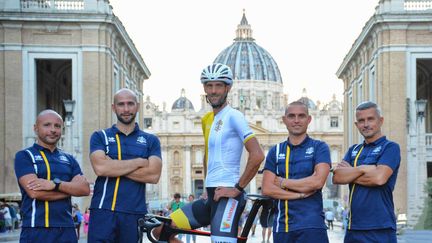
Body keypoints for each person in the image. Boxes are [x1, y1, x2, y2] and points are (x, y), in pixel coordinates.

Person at [154, 63, 264, 243]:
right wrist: (207, 186)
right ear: (204, 88)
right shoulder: (208, 120)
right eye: (209, 85)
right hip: (211, 195)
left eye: (218, 85)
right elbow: (208, 155)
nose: (213, 91)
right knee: (161, 231)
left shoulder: (234, 116)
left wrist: (237, 188)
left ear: (227, 88)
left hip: (229, 195)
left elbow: (258, 155)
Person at [88, 88, 162, 243]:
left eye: (130, 104)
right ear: (114, 107)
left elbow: (153, 175)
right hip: (103, 210)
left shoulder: (151, 140)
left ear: (138, 106)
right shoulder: (100, 136)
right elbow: (100, 168)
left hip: (134, 213)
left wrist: (112, 165)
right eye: (121, 104)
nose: (126, 109)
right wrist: (139, 162)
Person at [14, 109, 90, 243]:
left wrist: (55, 185)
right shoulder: (25, 156)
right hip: (36, 229)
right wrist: (70, 190)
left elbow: (84, 189)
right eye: (47, 125)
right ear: (35, 128)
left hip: (67, 230)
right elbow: (34, 193)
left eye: (57, 126)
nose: (53, 129)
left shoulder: (69, 159)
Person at [262, 101, 331, 243]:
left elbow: (317, 182)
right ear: (284, 120)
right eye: (292, 116)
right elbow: (267, 189)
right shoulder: (275, 151)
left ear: (309, 119)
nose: (296, 120)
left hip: (313, 225)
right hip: (283, 226)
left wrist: (282, 182)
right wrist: (299, 195)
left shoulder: (320, 147)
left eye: (301, 116)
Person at [333, 101, 401, 243]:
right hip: (353, 228)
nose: (366, 124)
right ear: (356, 125)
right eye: (361, 121)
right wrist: (363, 169)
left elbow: (379, 178)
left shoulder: (390, 148)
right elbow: (337, 177)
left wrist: (350, 174)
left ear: (380, 121)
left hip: (380, 227)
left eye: (370, 119)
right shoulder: (353, 150)